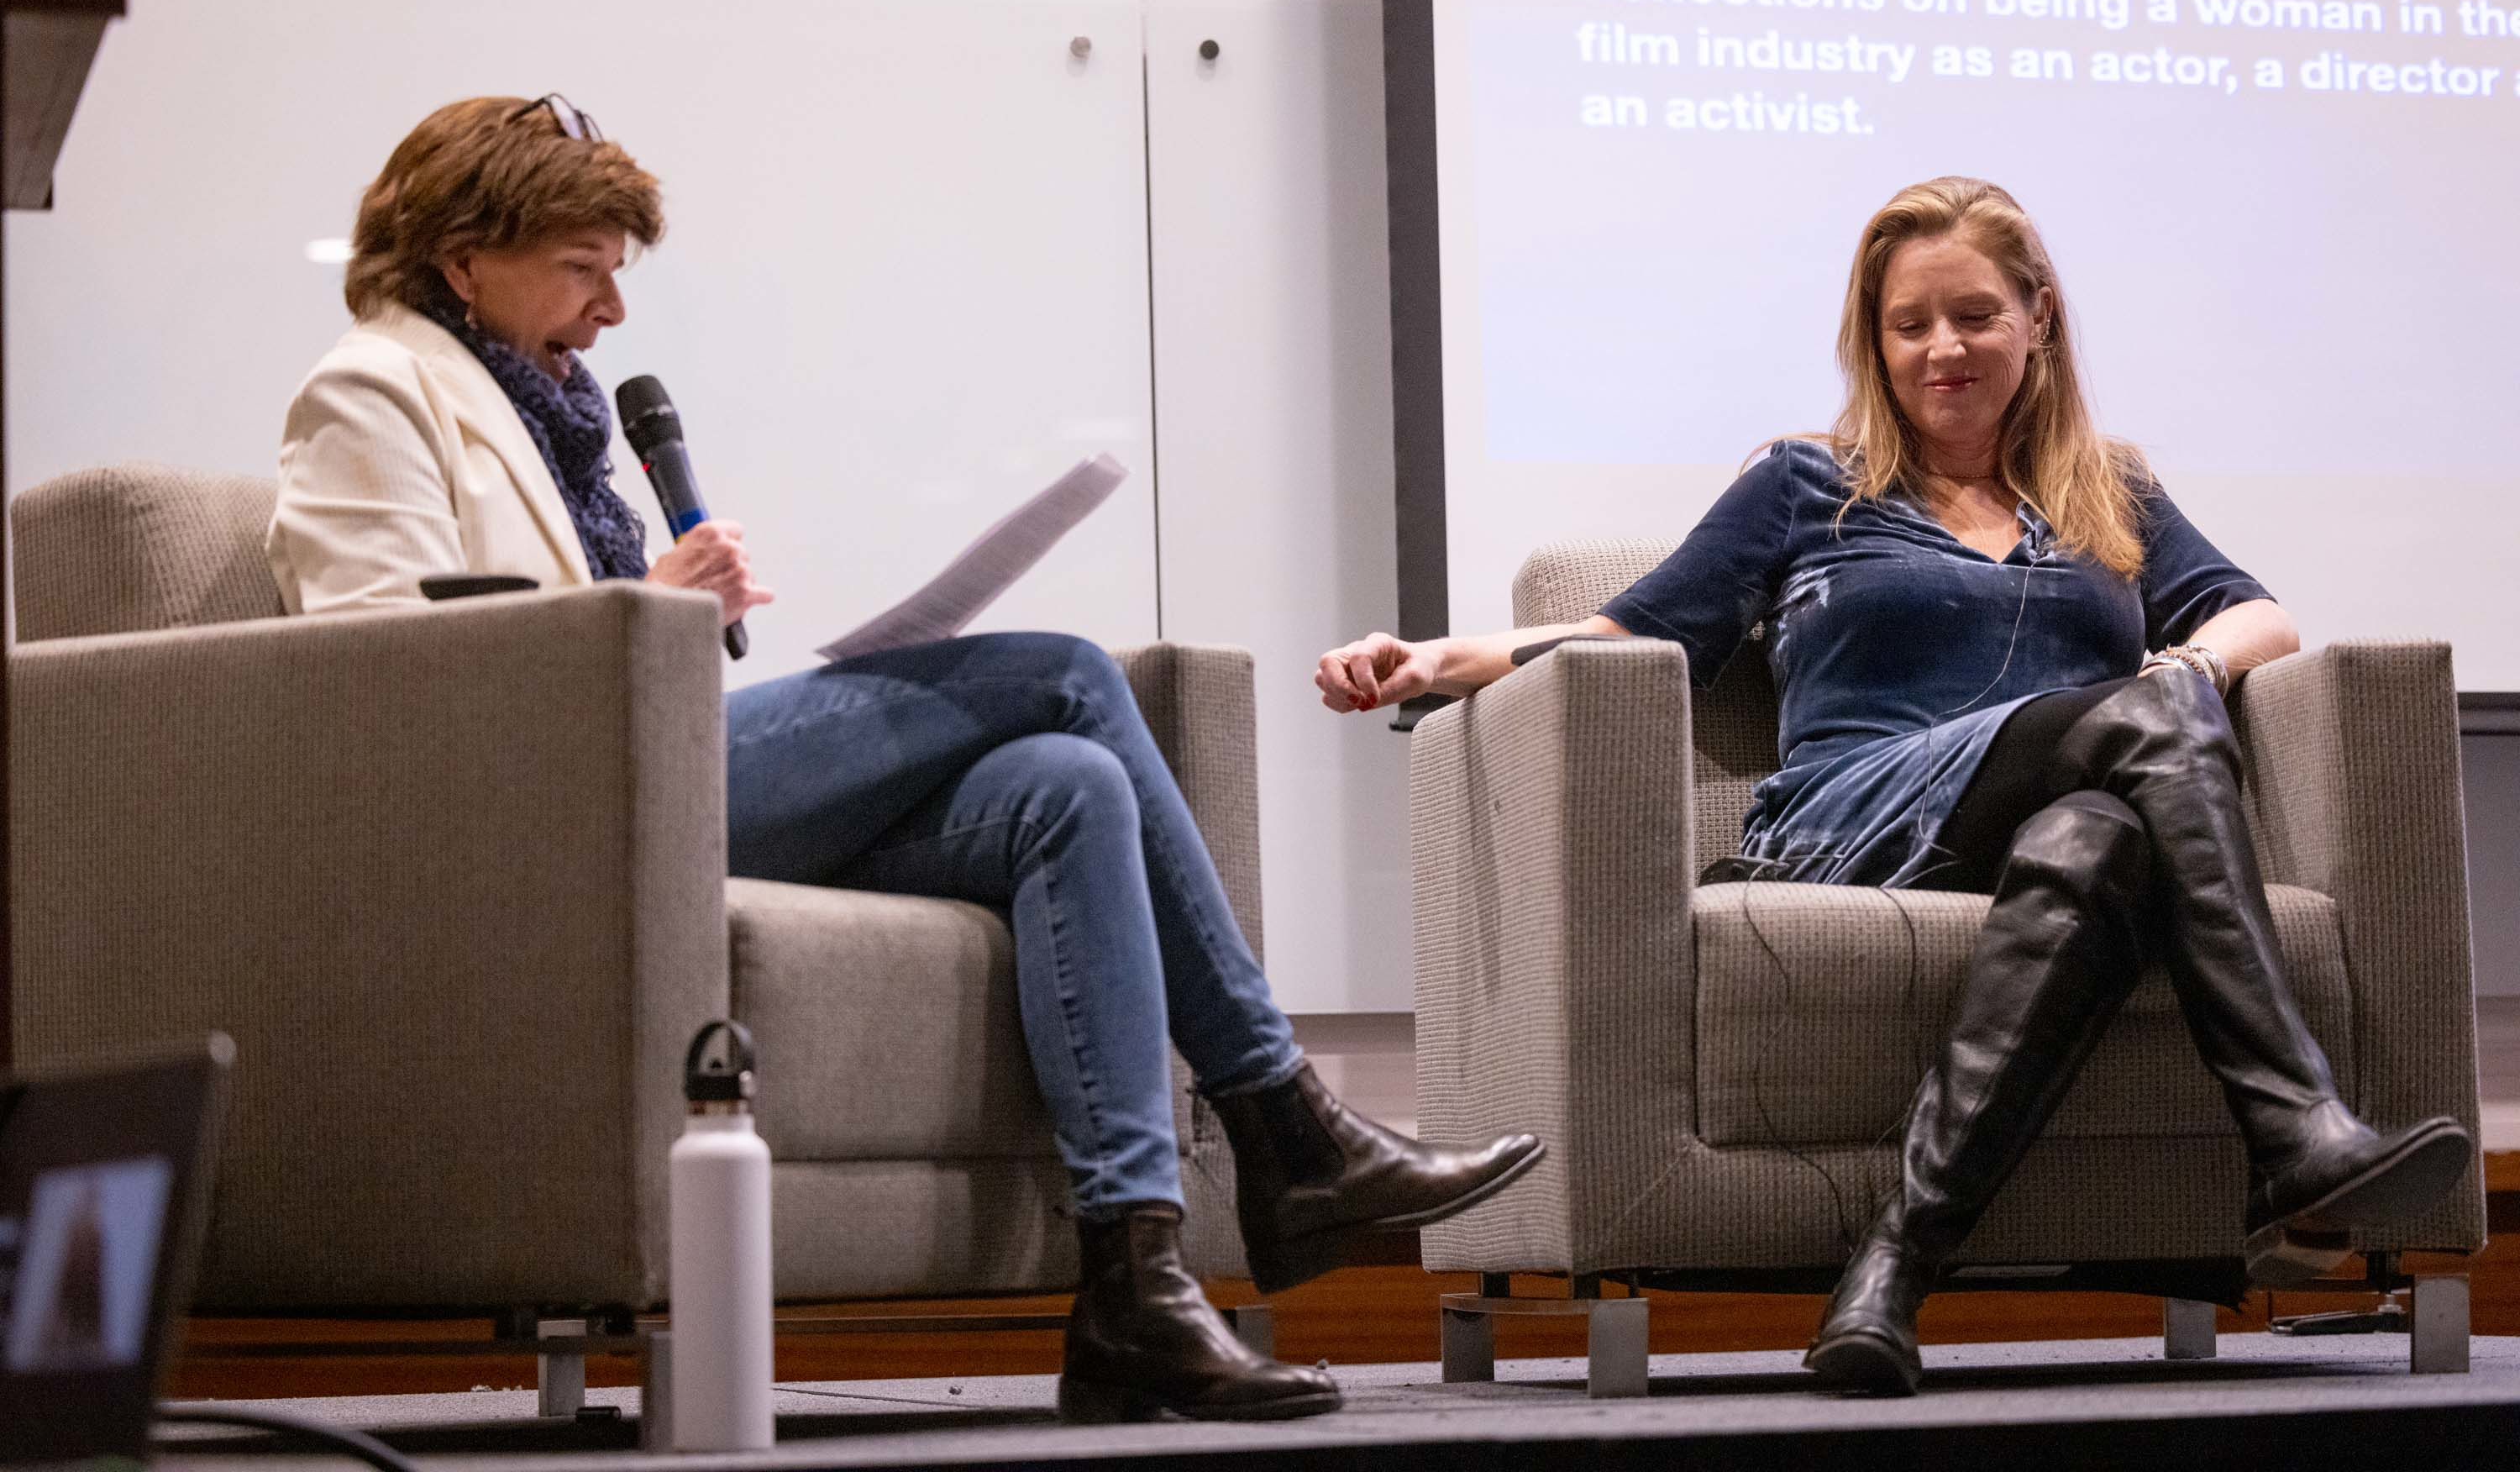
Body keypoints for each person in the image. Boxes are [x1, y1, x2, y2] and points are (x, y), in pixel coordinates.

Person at [267, 94, 1544, 1424]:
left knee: (1071, 783)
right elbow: (385, 680)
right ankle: (1289, 1127)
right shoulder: (370, 388)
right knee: (1062, 672)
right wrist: (649, 600)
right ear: (464, 259)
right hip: (564, 804)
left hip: (657, 762)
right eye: (582, 269)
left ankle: (1136, 1287)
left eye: (616, 271)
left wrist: (660, 614)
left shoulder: (563, 414)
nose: (612, 312)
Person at [1315, 176, 2470, 1397]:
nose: (1942, 348)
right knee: (2157, 719)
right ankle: (2294, 1128)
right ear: (1874, 340)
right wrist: (1436, 660)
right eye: (1909, 323)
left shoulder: (2107, 491)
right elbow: (1627, 633)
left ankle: (1891, 1273)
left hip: (2034, 822)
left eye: (1973, 315)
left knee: (2095, 845)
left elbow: (2260, 616)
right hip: (1854, 816)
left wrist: (2182, 663)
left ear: (2039, 321)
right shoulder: (1808, 485)